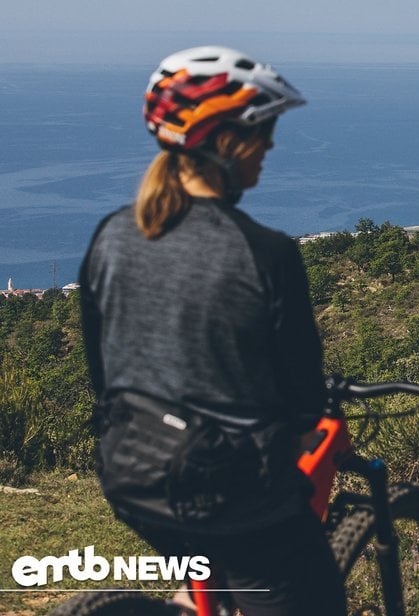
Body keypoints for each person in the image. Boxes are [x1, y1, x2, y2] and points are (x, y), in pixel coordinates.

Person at [79, 46, 346, 616]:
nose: (270, 147)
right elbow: (302, 405)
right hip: (232, 495)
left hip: (131, 474)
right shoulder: (264, 253)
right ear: (224, 141)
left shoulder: (113, 235)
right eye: (262, 131)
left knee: (210, 574)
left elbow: (103, 372)